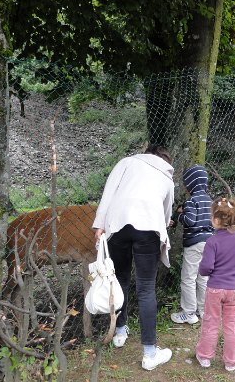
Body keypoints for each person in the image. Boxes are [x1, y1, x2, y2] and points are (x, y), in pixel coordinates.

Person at [92, 144, 174, 371]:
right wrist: (163, 227)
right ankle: (149, 353)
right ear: (165, 160)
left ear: (146, 154)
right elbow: (166, 213)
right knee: (146, 288)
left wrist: (99, 224)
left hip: (118, 225)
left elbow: (108, 193)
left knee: (120, 280)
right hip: (149, 228)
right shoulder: (166, 176)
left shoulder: (127, 162)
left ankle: (119, 333)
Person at [195, 197, 235, 372]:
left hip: (215, 288)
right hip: (234, 289)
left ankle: (204, 357)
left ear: (216, 220)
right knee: (232, 323)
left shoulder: (212, 241)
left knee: (210, 321)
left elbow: (206, 267)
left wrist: (206, 272)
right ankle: (232, 360)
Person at [170, 165, 213, 324]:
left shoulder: (191, 201)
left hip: (194, 244)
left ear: (190, 185)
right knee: (203, 278)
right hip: (209, 244)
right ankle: (204, 311)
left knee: (188, 278)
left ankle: (188, 313)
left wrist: (180, 215)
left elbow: (190, 221)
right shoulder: (210, 201)